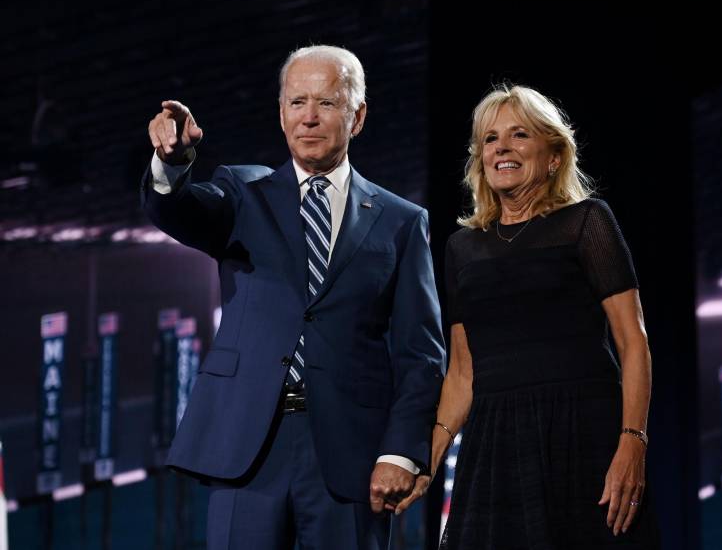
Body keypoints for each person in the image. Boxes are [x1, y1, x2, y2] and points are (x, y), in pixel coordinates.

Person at [142, 45, 445, 550]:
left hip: (350, 455)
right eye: (296, 102)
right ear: (281, 113)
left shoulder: (401, 221)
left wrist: (401, 452)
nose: (309, 118)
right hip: (249, 444)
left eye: (326, 103)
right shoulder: (241, 192)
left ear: (358, 115)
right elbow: (180, 212)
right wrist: (171, 164)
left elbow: (422, 353)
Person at [394, 84, 660, 548]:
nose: (502, 147)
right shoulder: (462, 248)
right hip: (496, 444)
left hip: (583, 435)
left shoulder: (587, 222)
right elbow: (461, 373)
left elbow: (632, 340)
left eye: (519, 135)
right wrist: (425, 461)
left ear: (553, 155)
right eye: (490, 138)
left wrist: (632, 441)